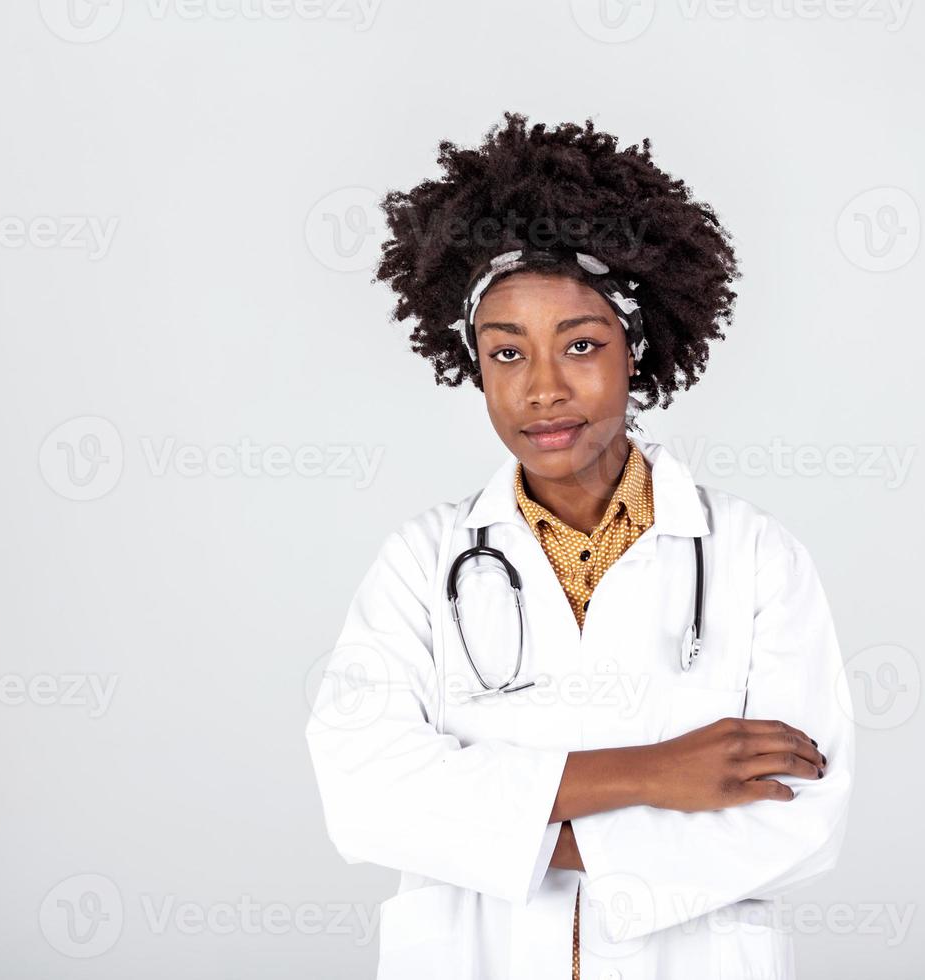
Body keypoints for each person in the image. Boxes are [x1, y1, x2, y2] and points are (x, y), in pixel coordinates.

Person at [305, 111, 855, 980]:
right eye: (506, 353)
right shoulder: (420, 565)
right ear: (475, 367)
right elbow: (367, 793)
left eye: (583, 345)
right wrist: (652, 773)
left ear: (637, 351)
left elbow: (796, 818)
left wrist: (501, 824)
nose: (544, 390)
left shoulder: (754, 559)